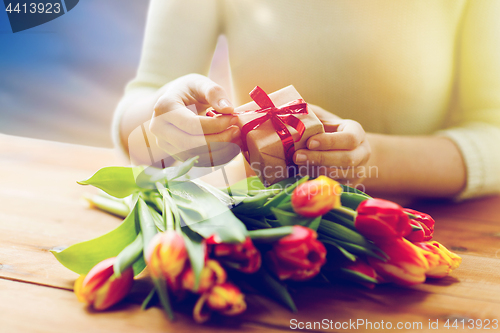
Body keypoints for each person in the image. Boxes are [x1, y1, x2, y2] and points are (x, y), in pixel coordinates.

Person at [112, 0, 500, 200]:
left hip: (417, 239)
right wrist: (163, 124)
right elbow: (138, 114)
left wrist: (368, 160)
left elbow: (494, 132)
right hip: (264, 236)